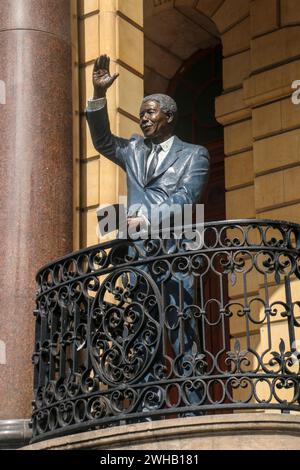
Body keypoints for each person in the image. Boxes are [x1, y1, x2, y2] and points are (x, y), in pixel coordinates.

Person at [86, 54, 210, 417]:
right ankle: (147, 412)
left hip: (176, 256)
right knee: (143, 336)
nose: (144, 117)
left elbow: (188, 198)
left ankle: (193, 412)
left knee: (182, 335)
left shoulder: (194, 155)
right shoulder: (134, 149)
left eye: (151, 112)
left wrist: (145, 218)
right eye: (142, 112)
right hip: (139, 261)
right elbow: (102, 141)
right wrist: (98, 93)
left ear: (168, 117)